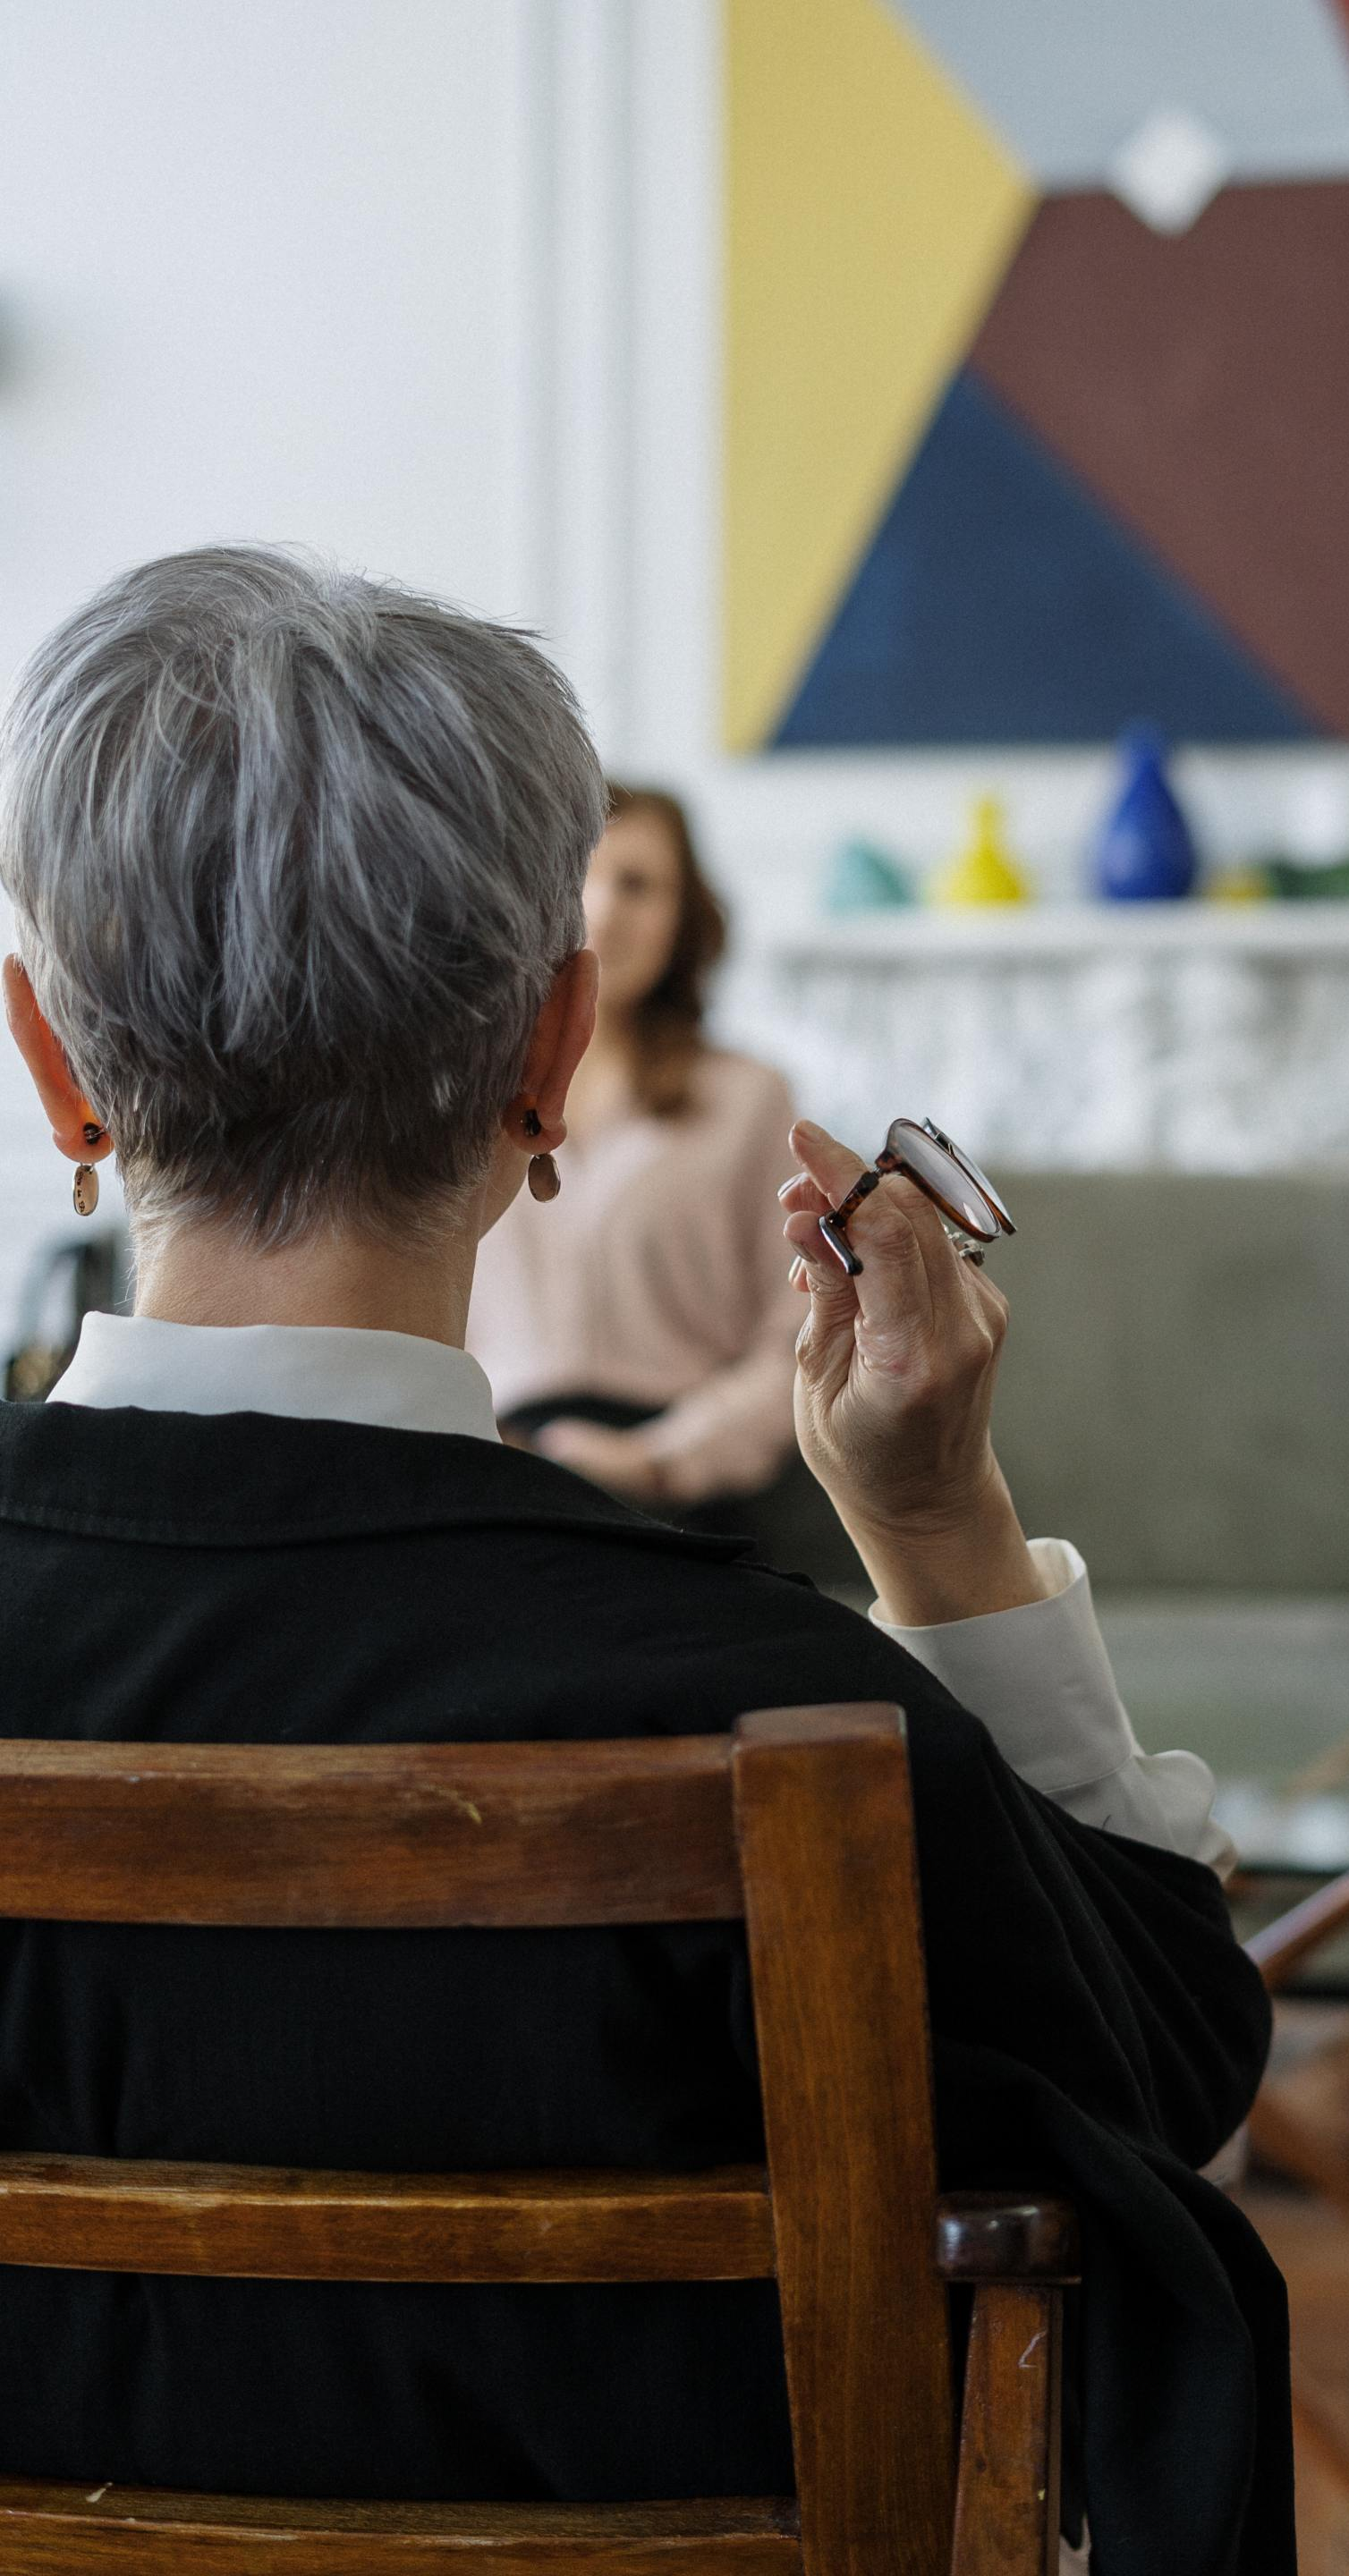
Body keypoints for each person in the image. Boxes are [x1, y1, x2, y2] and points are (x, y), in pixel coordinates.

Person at [0, 548, 1289, 2576]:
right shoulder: (774, 1708)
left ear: (49, 1061)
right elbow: (1174, 2069)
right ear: (552, 1053)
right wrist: (935, 1525)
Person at [467, 784, 800, 1522]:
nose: (607, 908)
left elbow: (798, 1339)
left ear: (684, 920)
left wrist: (663, 1460)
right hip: (489, 1475)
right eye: (581, 875)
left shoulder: (752, 1099)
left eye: (641, 885)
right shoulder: (464, 1095)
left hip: (682, 1488)